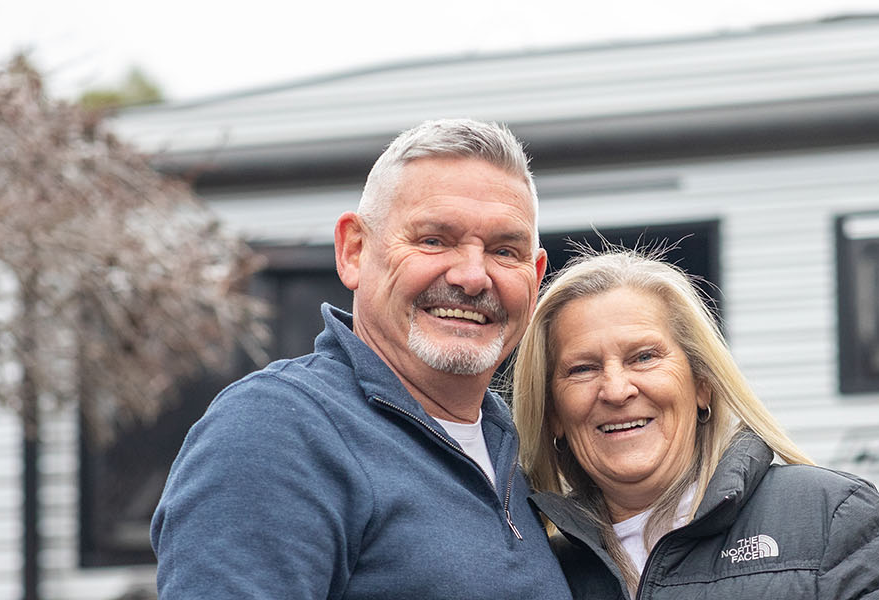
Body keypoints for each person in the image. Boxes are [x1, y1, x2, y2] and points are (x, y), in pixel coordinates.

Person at [150, 119, 571, 599]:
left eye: (505, 251)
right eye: (434, 240)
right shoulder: (279, 430)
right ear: (354, 251)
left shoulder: (521, 455)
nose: (473, 276)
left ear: (535, 275)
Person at [509, 250, 879, 599]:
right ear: (554, 414)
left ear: (702, 385)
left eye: (643, 357)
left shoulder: (828, 515)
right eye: (583, 369)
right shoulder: (540, 566)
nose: (616, 389)